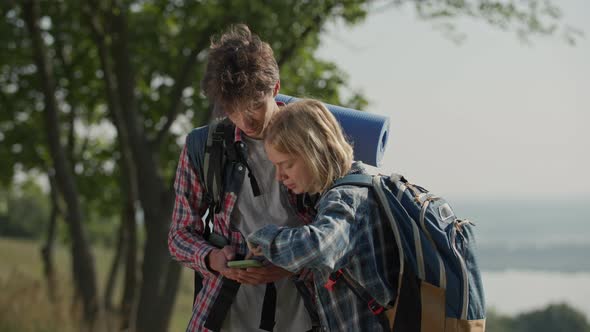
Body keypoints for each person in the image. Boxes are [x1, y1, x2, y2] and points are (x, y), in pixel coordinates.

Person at [168, 25, 317, 332]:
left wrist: (288, 263)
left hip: (305, 311)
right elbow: (179, 235)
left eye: (254, 105)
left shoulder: (314, 141)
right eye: (233, 109)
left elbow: (338, 233)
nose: (245, 120)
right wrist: (210, 257)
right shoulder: (203, 147)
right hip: (225, 311)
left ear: (275, 89)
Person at [247, 99, 399, 331]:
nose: (279, 176)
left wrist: (266, 238)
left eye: (286, 164)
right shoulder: (352, 192)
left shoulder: (347, 198)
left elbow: (320, 248)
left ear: (312, 152)